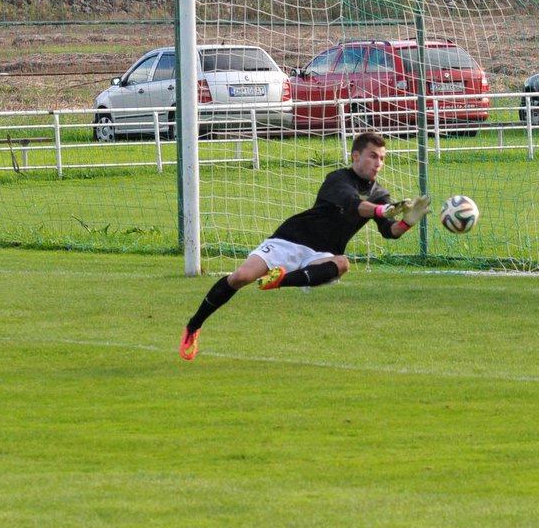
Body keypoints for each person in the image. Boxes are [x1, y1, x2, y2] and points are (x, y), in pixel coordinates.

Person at [179, 131, 430, 360]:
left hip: (321, 254)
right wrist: (382, 210)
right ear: (356, 156)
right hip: (290, 239)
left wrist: (407, 222)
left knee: (342, 263)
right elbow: (354, 205)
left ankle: (279, 280)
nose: (378, 163)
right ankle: (193, 327)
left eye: (382, 158)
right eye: (373, 156)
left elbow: (390, 232)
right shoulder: (338, 178)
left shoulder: (380, 194)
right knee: (241, 277)